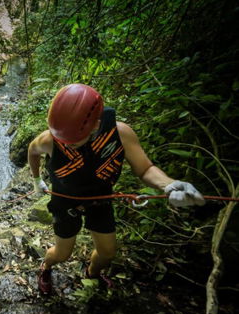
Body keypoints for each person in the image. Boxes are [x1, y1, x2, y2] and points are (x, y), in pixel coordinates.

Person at [27, 83, 205, 295]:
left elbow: (145, 168)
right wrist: (36, 180)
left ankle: (92, 274)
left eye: (72, 142)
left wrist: (168, 185)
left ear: (95, 126)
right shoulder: (50, 140)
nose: (64, 144)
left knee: (107, 252)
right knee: (62, 254)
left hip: (100, 197)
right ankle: (46, 267)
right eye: (60, 139)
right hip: (65, 200)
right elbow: (32, 150)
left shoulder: (121, 134)